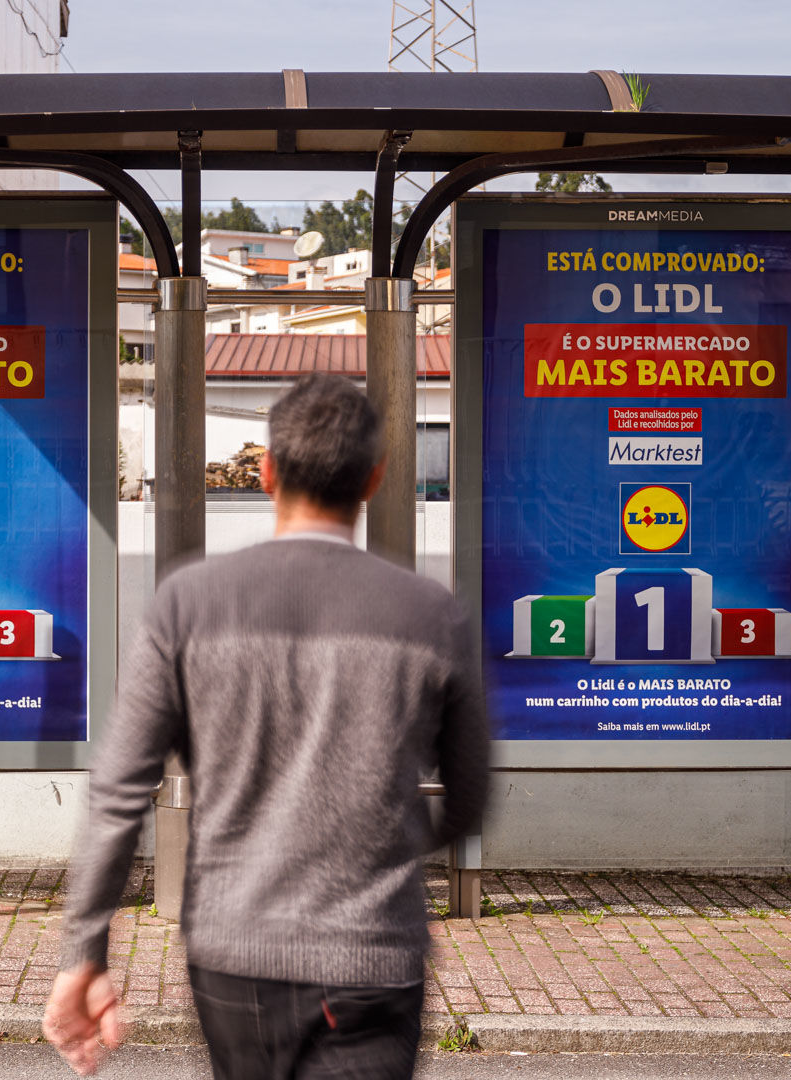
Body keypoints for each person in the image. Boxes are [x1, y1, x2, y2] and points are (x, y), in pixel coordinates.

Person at [43, 372, 490, 1079]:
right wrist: (388, 842)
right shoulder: (431, 614)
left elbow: (117, 792)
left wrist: (84, 953)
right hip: (372, 954)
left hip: (233, 953)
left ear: (268, 472)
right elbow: (468, 799)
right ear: (374, 479)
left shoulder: (187, 604)